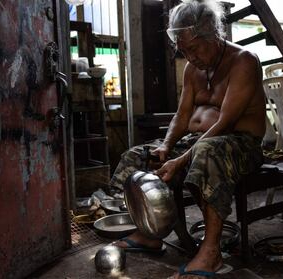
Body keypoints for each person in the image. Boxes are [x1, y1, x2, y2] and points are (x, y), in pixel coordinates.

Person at [110, 0, 266, 277]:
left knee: (206, 152)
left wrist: (181, 160)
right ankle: (150, 232)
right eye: (183, 51)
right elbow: (181, 117)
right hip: (198, 142)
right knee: (137, 155)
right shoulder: (193, 69)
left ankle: (211, 252)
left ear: (213, 35)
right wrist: (167, 146)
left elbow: (225, 122)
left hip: (238, 144)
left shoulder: (244, 61)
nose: (189, 56)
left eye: (193, 48)